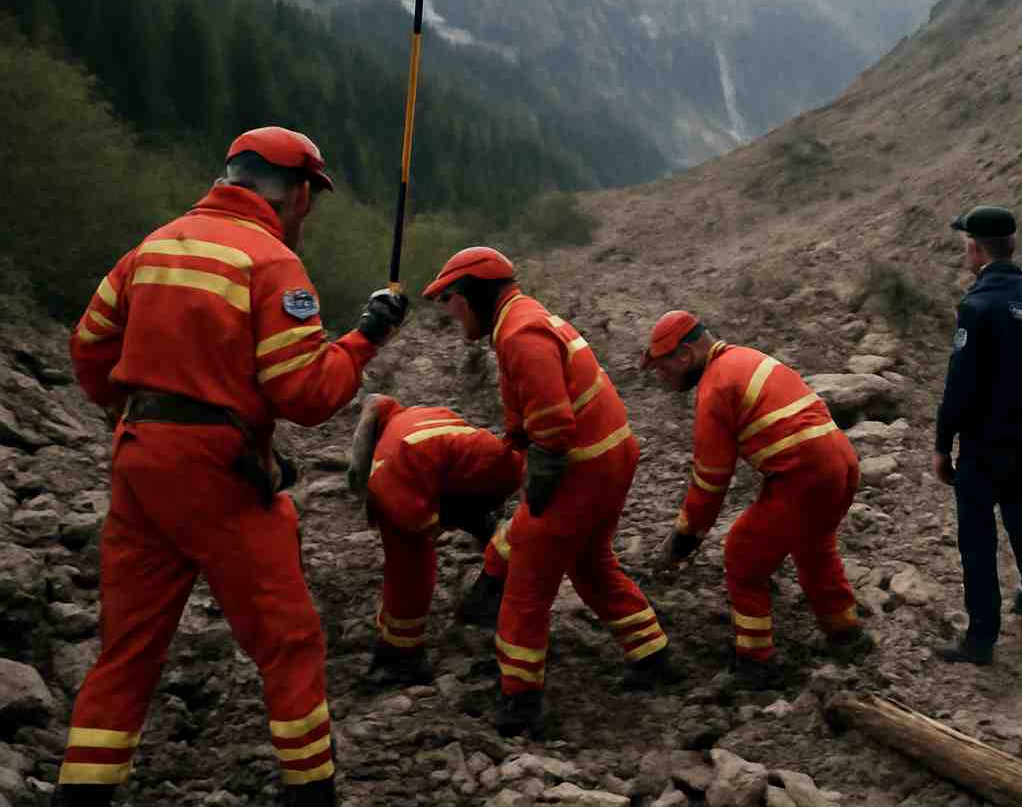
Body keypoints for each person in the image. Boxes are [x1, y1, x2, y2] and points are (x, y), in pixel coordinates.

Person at [59, 127, 409, 807]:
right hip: (217, 473)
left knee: (126, 651)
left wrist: (127, 412)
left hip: (138, 462)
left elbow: (88, 348)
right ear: (300, 194)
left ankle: (80, 795)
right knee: (289, 639)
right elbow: (304, 395)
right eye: (311, 200)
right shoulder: (271, 264)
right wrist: (367, 336)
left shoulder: (151, 246)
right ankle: (310, 793)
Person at [422, 247, 672, 735]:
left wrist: (537, 482)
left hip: (584, 465)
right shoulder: (524, 318)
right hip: (609, 455)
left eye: (449, 298)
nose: (447, 309)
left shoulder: (519, 333)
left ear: (471, 292)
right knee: (591, 563)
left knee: (529, 585)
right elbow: (531, 415)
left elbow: (553, 424)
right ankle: (652, 654)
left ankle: (520, 701)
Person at [643, 311, 872, 687]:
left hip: (804, 474)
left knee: (742, 555)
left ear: (684, 355)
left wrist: (684, 538)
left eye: (661, 367)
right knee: (814, 547)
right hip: (841, 463)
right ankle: (846, 633)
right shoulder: (744, 358)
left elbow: (711, 480)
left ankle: (755, 662)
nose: (660, 377)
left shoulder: (714, 387)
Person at [930, 206, 1022, 665]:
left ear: (975, 247)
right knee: (1021, 514)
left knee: (978, 538)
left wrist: (943, 444)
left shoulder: (978, 305)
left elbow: (960, 383)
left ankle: (980, 639)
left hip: (986, 441)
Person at [346, 395, 522, 686]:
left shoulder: (391, 465)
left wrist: (440, 520)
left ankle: (401, 655)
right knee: (409, 566)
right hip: (467, 465)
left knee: (408, 569)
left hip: (445, 473)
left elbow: (416, 529)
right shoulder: (413, 416)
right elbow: (458, 449)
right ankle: (399, 653)